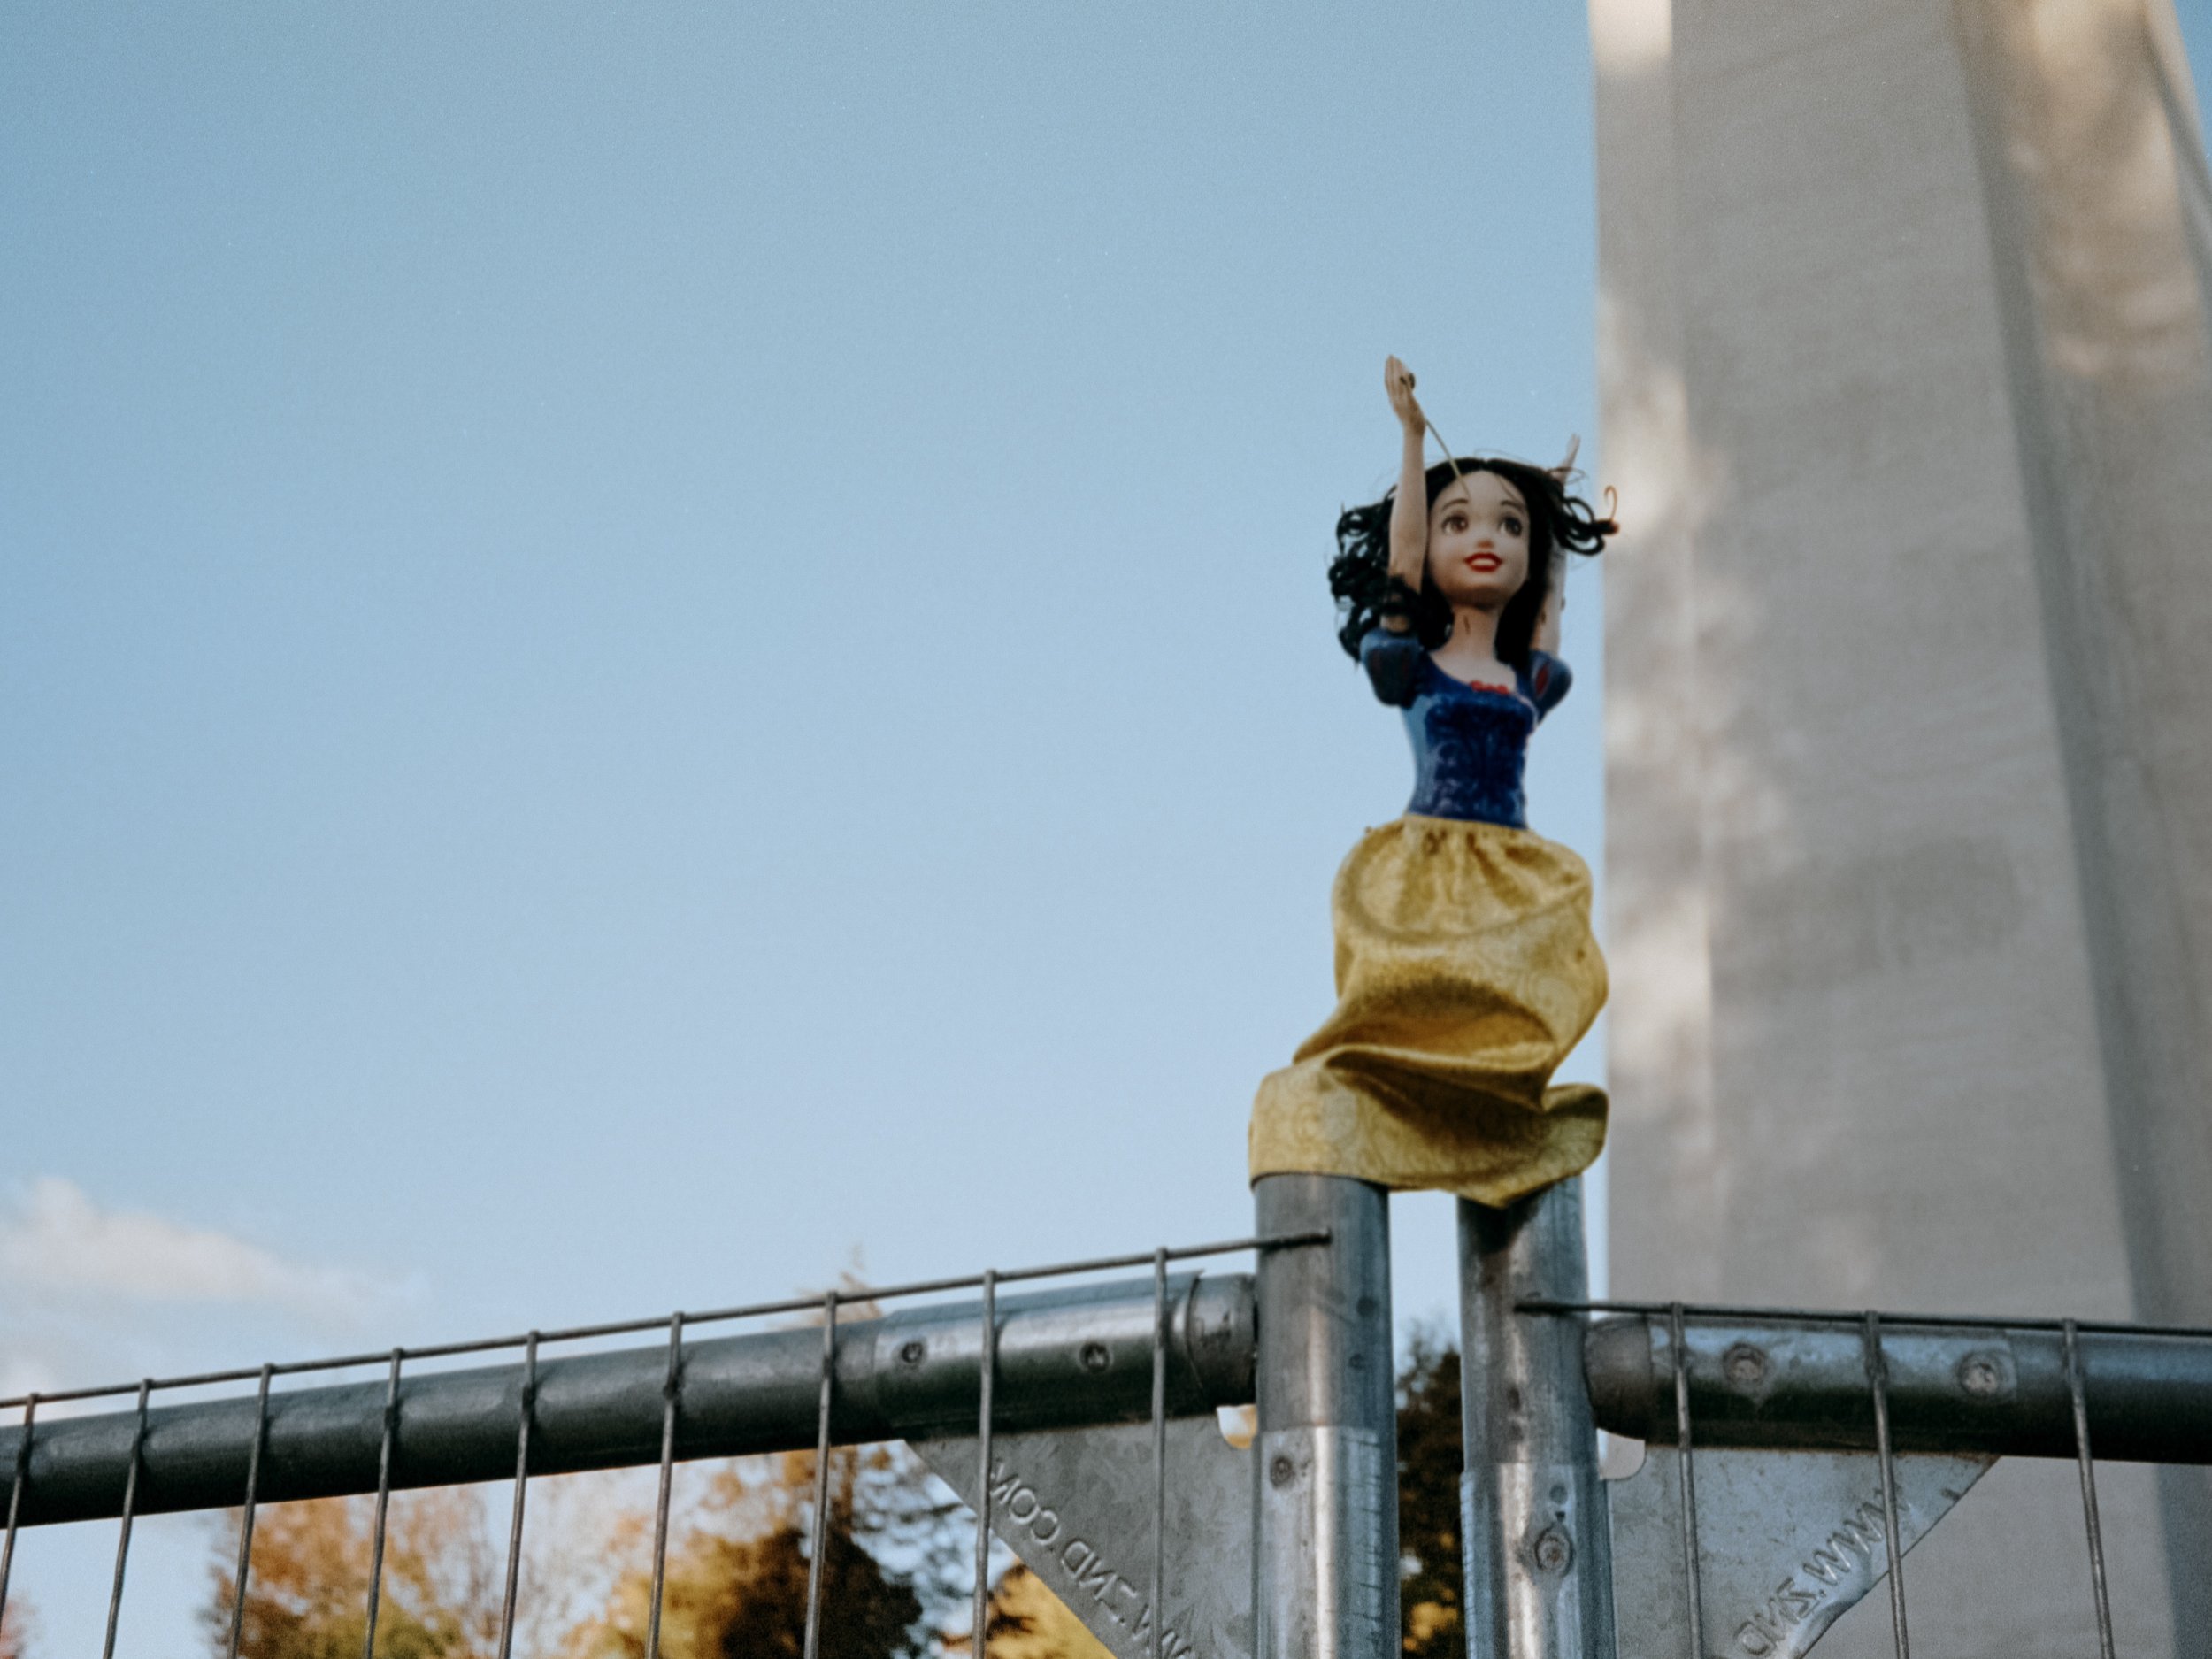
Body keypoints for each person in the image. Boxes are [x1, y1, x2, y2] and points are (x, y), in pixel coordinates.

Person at [1248, 357, 1617, 1206]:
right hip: (1429, 862)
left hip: (1514, 868)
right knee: (1410, 1015)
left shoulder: (1529, 678)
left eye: (1511, 525)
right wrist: (1412, 438)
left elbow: (1552, 608)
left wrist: (1554, 523)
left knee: (1513, 1022)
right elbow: (1404, 560)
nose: (1486, 537)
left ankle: (1498, 1129)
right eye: (1462, 522)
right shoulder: (1409, 663)